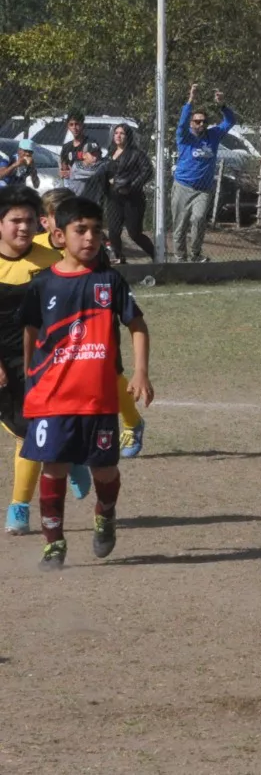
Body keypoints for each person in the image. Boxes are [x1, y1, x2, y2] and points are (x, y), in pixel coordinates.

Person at [19, 197, 152, 570]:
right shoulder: (42, 284)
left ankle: (105, 513)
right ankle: (54, 543)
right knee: (53, 468)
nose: (91, 237)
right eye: (81, 230)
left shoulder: (109, 281)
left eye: (97, 230)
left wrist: (140, 371)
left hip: (97, 400)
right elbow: (30, 330)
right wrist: (30, 375)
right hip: (51, 397)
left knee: (105, 472)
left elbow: (137, 325)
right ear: (59, 236)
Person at [35, 189, 148, 462]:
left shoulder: (92, 252)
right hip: (53, 334)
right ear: (47, 221)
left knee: (110, 375)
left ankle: (132, 423)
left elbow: (106, 288)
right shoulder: (35, 247)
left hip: (93, 331)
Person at [0, 188, 61, 536]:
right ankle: (68, 456)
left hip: (40, 362)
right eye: (15, 221)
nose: (23, 228)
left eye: (28, 220)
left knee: (27, 433)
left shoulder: (50, 259)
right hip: (4, 362)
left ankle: (18, 508)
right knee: (23, 428)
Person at [172, 84, 235, 263]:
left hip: (203, 189)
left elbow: (230, 122)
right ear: (192, 123)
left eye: (203, 121)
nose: (201, 124)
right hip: (183, 186)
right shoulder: (184, 137)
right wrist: (190, 100)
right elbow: (182, 123)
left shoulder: (213, 136)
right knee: (180, 225)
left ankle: (195, 254)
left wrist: (222, 105)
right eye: (197, 121)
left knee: (199, 219)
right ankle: (179, 257)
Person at [105, 123, 156, 264]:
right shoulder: (110, 152)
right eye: (116, 133)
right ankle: (119, 259)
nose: (118, 136)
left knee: (134, 233)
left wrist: (131, 186)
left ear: (128, 136)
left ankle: (156, 255)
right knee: (113, 231)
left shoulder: (136, 153)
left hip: (132, 199)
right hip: (114, 198)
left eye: (122, 133)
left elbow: (147, 171)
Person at [58, 112, 99, 181]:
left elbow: (93, 165)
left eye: (77, 124)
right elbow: (64, 169)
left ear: (82, 125)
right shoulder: (66, 147)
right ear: (68, 127)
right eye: (71, 125)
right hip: (71, 184)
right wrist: (63, 172)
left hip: (87, 184)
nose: (74, 127)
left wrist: (73, 172)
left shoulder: (91, 143)